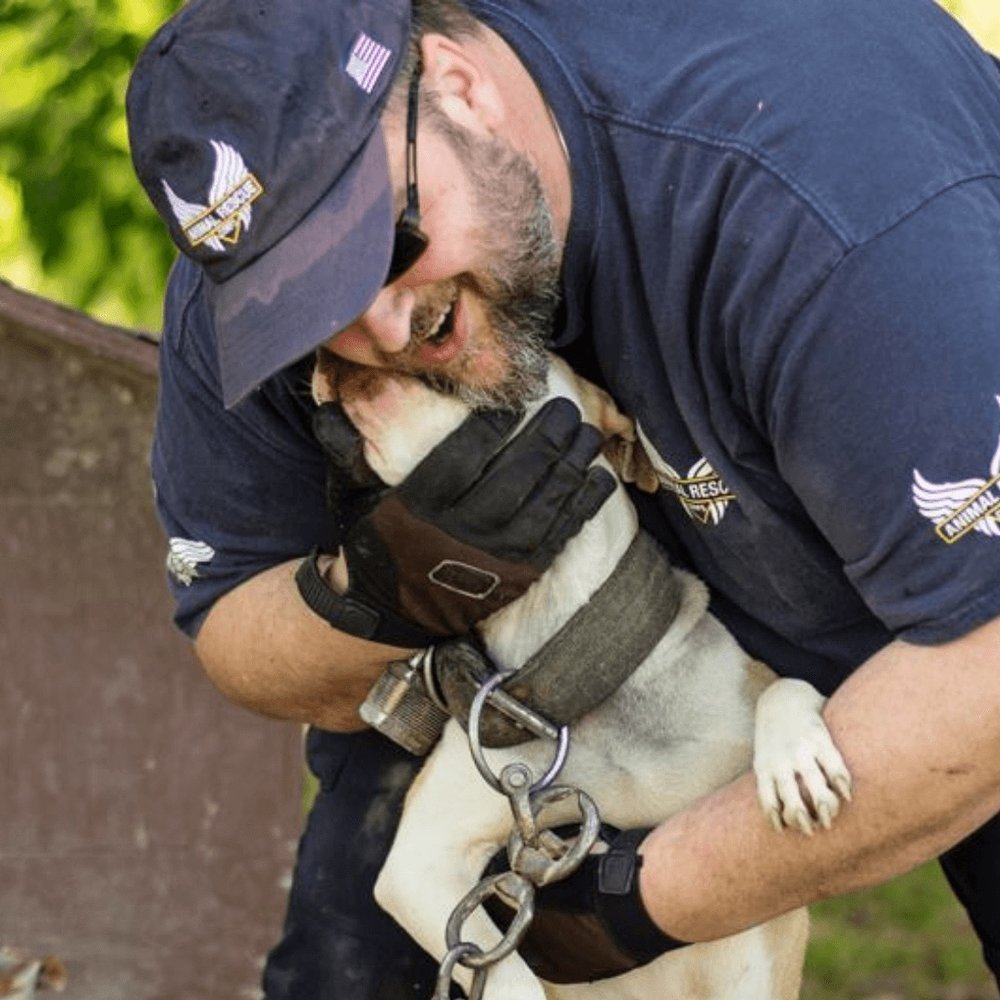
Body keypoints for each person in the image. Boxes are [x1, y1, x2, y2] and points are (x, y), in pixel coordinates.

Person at [125, 0, 1000, 995]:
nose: (377, 323)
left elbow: (985, 667)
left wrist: (637, 900)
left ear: (459, 87)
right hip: (517, 685)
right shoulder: (255, 238)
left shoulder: (816, 193)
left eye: (381, 239)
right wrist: (385, 588)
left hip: (938, 572)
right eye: (307, 300)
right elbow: (232, 621)